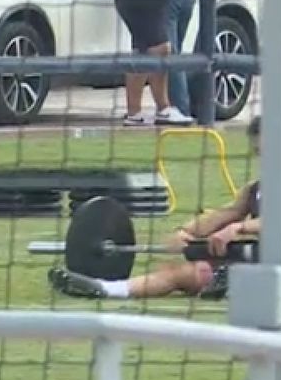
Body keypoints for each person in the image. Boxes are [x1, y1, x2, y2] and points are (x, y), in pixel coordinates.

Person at [49, 118, 263, 300]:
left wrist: (238, 228)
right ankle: (104, 288)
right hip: (249, 260)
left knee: (188, 274)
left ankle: (231, 285)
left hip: (277, 268)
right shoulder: (255, 188)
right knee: (180, 271)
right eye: (258, 152)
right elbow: (227, 213)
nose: (262, 157)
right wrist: (186, 231)